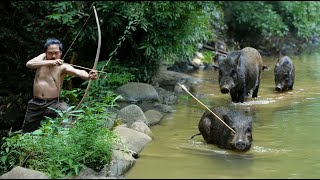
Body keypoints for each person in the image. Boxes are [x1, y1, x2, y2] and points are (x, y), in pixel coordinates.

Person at [21, 38, 98, 132]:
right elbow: (29, 64)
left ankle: (63, 138)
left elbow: (78, 72)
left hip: (54, 103)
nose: (53, 55)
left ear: (61, 53)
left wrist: (88, 76)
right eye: (50, 53)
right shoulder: (41, 59)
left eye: (56, 53)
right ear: (45, 52)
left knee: (66, 111)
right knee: (27, 132)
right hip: (36, 103)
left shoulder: (63, 67)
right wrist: (51, 62)